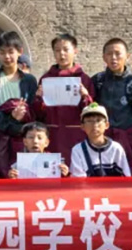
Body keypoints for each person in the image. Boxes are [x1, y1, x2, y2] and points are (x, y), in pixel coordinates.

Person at [0, 32, 39, 181]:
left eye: (10, 52)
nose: (7, 56)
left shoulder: (29, 80)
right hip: (0, 135)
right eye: (2, 52)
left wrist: (23, 127)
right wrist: (12, 122)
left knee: (23, 176)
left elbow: (33, 108)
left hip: (23, 137)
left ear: (20, 51)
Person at [35, 34, 95, 165]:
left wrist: (86, 96)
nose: (61, 54)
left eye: (66, 49)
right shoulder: (46, 79)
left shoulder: (84, 79)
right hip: (52, 134)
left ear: (75, 51)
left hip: (76, 134)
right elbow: (39, 114)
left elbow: (92, 111)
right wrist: (38, 98)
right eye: (57, 50)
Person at [91, 38, 132, 167]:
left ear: (127, 56)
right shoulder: (97, 80)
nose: (113, 58)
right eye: (109, 54)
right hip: (102, 137)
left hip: (127, 137)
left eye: (118, 53)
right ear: (104, 57)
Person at [70, 103, 130, 178]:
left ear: (107, 125)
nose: (95, 125)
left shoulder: (116, 149)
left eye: (98, 120)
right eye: (89, 121)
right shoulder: (78, 150)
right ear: (82, 126)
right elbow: (79, 180)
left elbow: (125, 177)